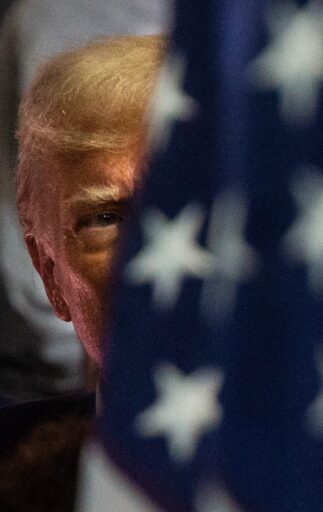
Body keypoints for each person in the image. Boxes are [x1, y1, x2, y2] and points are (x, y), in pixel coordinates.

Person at [0, 34, 165, 511]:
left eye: (190, 209)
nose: (153, 262)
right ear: (48, 272)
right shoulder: (13, 469)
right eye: (107, 218)